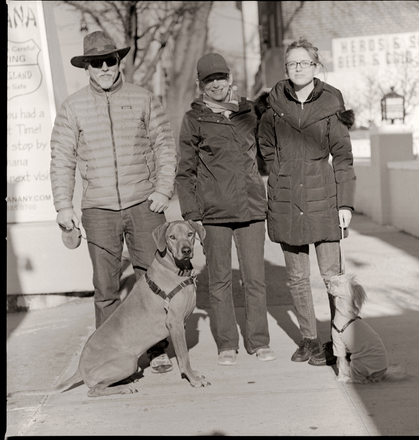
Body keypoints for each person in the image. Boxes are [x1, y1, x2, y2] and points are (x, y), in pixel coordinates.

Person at [50, 31, 177, 373]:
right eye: (96, 62)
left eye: (110, 60)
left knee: (152, 282)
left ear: (119, 62)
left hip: (143, 206)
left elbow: (165, 145)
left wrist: (163, 190)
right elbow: (61, 158)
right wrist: (63, 205)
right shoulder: (72, 107)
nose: (104, 67)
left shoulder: (144, 98)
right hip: (98, 212)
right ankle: (113, 354)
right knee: (106, 288)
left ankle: (158, 347)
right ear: (86, 68)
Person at [258, 37, 356, 366]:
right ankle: (310, 340)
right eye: (292, 64)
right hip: (286, 198)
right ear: (286, 68)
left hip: (323, 196)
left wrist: (345, 204)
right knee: (297, 278)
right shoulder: (273, 106)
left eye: (305, 63)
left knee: (332, 276)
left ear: (316, 66)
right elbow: (265, 146)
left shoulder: (331, 104)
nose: (298, 68)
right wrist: (281, 172)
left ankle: (340, 340)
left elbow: (343, 157)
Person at [176, 53, 275, 365]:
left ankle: (258, 341)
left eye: (221, 77)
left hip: (251, 210)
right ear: (200, 84)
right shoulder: (194, 119)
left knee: (255, 279)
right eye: (209, 79)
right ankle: (227, 344)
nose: (216, 83)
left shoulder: (249, 113)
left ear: (230, 78)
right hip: (214, 214)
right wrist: (192, 215)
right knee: (219, 281)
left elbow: (268, 152)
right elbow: (185, 171)